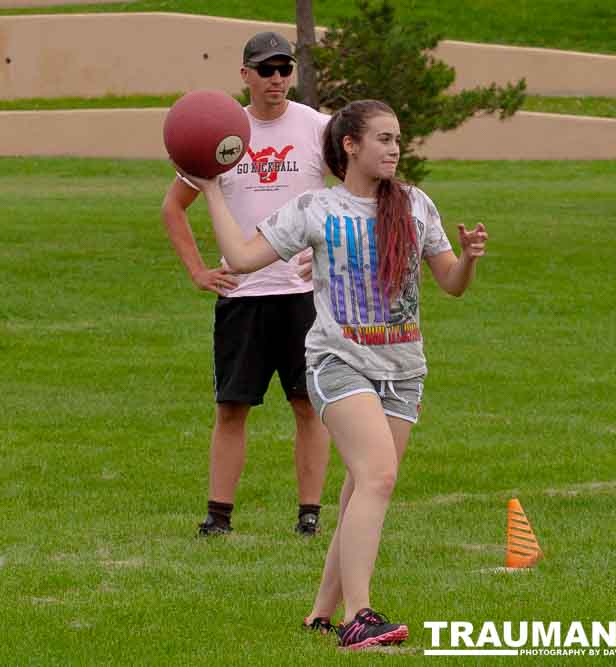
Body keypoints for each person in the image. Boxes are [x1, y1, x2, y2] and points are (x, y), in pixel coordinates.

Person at [183, 99, 489, 649]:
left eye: (398, 139)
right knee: (378, 477)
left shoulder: (416, 205)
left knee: (358, 492)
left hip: (403, 371)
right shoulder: (316, 208)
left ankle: (321, 613)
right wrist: (211, 190)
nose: (395, 149)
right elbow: (242, 256)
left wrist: (467, 259)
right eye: (384, 139)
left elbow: (451, 283)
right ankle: (359, 616)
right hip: (338, 362)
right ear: (350, 145)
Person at [160, 32, 332, 537]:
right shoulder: (219, 131)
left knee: (309, 405)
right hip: (243, 296)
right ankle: (218, 517)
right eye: (265, 69)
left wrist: (328, 252)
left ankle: (309, 515)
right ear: (245, 75)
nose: (276, 79)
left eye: (284, 69)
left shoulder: (318, 128)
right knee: (231, 407)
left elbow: (361, 191)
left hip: (303, 296)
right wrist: (198, 271)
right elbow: (172, 207)